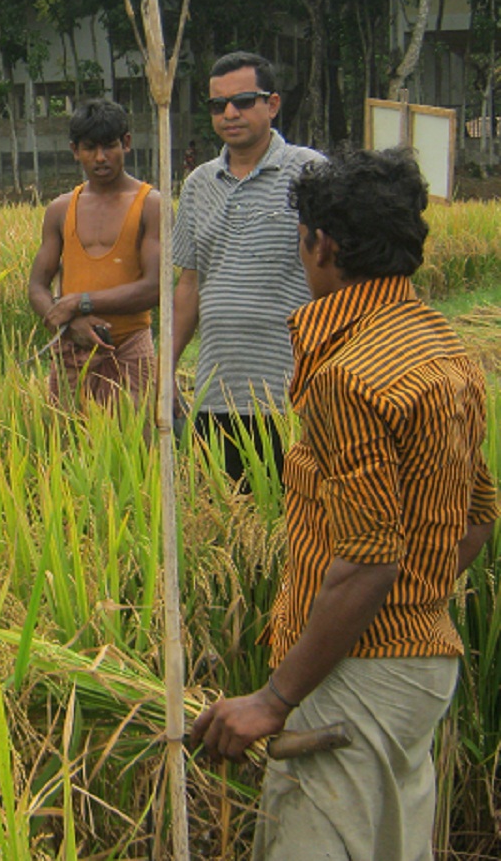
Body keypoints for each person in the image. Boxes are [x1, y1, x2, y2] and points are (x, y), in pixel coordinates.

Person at [189, 147, 496, 861]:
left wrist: (274, 698)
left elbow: (367, 563)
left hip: (355, 674)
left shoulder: (347, 375)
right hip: (420, 669)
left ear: (321, 243)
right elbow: (477, 513)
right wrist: (414, 607)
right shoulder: (444, 347)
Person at [172, 51, 322, 483]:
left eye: (243, 101)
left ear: (272, 104)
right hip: (216, 391)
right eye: (218, 105)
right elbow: (189, 284)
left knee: (294, 516)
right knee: (226, 515)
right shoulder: (200, 183)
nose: (229, 113)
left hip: (291, 393)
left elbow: (341, 276)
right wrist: (167, 368)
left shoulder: (310, 172)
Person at [27, 98, 161, 408]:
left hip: (129, 346)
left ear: (126, 143)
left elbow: (155, 287)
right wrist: (68, 323)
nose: (100, 158)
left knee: (135, 446)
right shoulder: (61, 209)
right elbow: (37, 286)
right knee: (67, 444)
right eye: (90, 148)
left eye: (109, 146)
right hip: (72, 348)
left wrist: (80, 302)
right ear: (75, 150)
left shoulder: (149, 204)